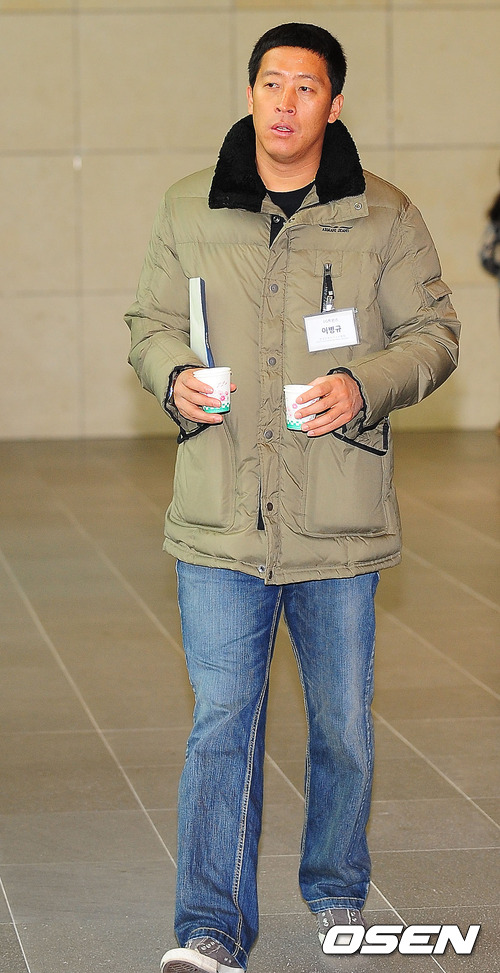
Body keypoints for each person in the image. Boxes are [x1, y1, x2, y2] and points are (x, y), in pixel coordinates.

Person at [125, 23, 460, 973]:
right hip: (220, 517)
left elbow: (434, 332)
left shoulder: (384, 214)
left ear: (334, 104)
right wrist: (172, 373)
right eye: (270, 83)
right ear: (250, 93)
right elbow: (148, 322)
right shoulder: (188, 206)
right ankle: (210, 926)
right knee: (221, 723)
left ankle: (337, 890)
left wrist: (364, 384)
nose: (284, 102)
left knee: (343, 726)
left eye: (305, 87)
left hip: (337, 518)